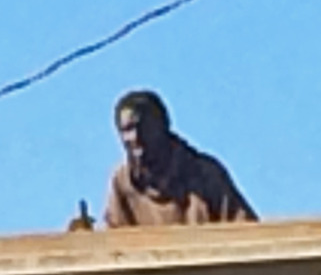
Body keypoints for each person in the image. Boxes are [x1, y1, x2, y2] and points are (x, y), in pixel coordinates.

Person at [103, 90, 257, 227]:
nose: (136, 137)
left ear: (163, 126)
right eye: (127, 130)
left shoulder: (205, 174)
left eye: (144, 127)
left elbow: (247, 231)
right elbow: (113, 240)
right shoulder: (122, 182)